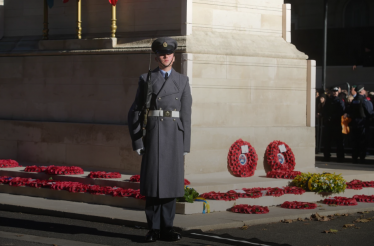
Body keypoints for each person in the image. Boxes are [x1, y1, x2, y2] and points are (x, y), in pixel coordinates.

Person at [128, 37, 192, 242]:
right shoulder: (146, 78)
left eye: (169, 53)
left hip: (174, 134)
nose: (165, 56)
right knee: (154, 183)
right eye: (162, 54)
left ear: (174, 56)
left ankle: (167, 228)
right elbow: (135, 111)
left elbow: (186, 114)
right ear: (156, 57)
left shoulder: (183, 81)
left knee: (170, 183)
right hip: (154, 134)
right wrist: (137, 141)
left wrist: (185, 144)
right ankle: (153, 228)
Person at [346, 85, 374, 163]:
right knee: (363, 141)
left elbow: (350, 111)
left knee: (355, 141)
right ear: (362, 91)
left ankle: (355, 157)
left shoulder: (354, 101)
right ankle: (362, 157)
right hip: (363, 124)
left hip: (355, 123)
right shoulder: (364, 101)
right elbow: (370, 112)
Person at [322, 87, 345, 162]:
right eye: (333, 91)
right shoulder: (328, 101)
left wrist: (333, 116)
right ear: (331, 92)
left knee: (339, 141)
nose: (335, 92)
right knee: (327, 141)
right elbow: (324, 111)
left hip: (336, 123)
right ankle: (326, 156)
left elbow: (342, 111)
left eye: (336, 91)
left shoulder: (340, 101)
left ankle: (340, 157)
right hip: (329, 124)